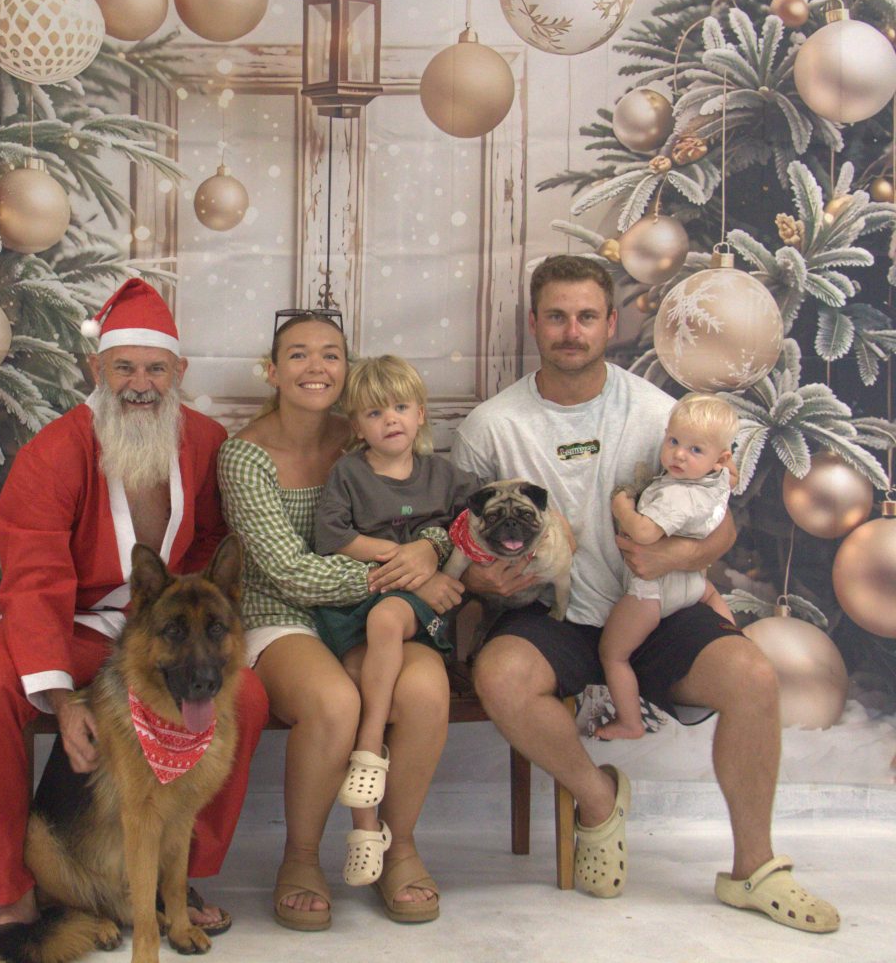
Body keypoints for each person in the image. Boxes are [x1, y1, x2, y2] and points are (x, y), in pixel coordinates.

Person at [451, 255, 839, 933]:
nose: (572, 330)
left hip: (653, 604)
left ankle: (754, 867)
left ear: (612, 322)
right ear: (535, 321)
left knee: (751, 676)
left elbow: (720, 524)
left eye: (587, 316)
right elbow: (460, 535)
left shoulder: (660, 411)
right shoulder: (491, 426)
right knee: (501, 675)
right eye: (557, 316)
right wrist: (478, 578)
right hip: (556, 611)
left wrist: (679, 553)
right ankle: (598, 800)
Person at [0, 279, 270, 963]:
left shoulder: (207, 441)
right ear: (97, 370)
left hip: (161, 632)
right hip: (68, 621)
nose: (140, 384)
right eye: (123, 367)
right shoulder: (56, 450)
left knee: (251, 696)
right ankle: (12, 889)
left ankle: (173, 885)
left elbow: (217, 545)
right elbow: (33, 576)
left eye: (155, 368)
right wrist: (62, 697)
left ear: (178, 373)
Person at [218, 312, 463, 930]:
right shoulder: (244, 456)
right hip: (284, 611)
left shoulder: (367, 439)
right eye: (298, 355)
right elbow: (288, 571)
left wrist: (429, 551)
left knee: (426, 689)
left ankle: (397, 845)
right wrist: (411, 576)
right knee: (331, 702)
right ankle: (300, 858)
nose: (316, 367)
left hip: (366, 613)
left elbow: (431, 509)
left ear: (347, 372)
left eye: (330, 354)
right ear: (273, 372)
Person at [311, 355, 478, 885]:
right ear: (357, 425)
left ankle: (366, 752)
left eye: (401, 407)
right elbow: (333, 538)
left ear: (422, 413)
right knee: (365, 666)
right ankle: (366, 832)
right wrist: (397, 555)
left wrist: (430, 559)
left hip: (411, 607)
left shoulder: (442, 474)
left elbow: (475, 515)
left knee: (387, 618)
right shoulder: (350, 473)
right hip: (361, 601)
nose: (391, 420)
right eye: (375, 412)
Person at [598, 393, 739, 740]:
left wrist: (621, 507)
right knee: (709, 596)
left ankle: (630, 722)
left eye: (695, 450)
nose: (678, 454)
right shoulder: (719, 478)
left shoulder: (677, 495)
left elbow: (645, 533)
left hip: (654, 592)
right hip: (694, 584)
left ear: (718, 457)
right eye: (674, 441)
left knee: (613, 653)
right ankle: (733, 635)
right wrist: (714, 459)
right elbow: (733, 476)